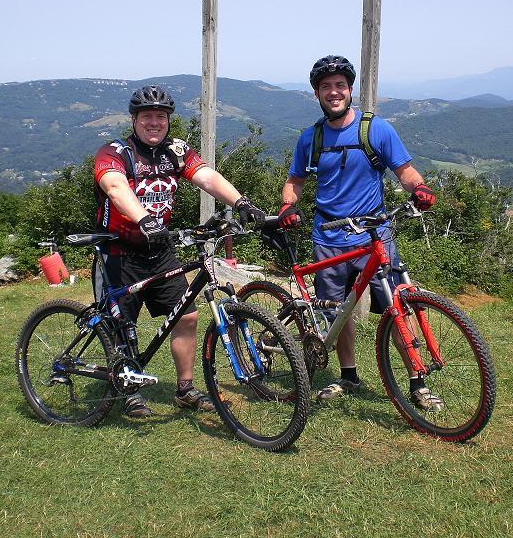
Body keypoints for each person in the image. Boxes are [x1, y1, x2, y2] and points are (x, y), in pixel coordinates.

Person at [278, 55, 442, 411]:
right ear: (317, 94)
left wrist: (420, 188)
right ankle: (348, 375)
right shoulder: (312, 138)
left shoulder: (376, 130)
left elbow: (405, 171)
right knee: (339, 312)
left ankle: (417, 379)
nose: (333, 92)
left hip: (373, 235)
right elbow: (295, 180)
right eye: (326, 87)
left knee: (397, 306)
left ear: (350, 90)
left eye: (339, 85)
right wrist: (288, 206)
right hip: (329, 237)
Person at [93, 85, 266, 418]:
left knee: (185, 314)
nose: (154, 122)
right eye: (147, 117)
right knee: (121, 323)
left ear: (169, 120)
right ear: (134, 120)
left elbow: (207, 177)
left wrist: (241, 202)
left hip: (159, 249)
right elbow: (114, 186)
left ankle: (185, 389)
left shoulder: (175, 150)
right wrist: (144, 218)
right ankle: (126, 389)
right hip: (118, 250)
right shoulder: (114, 152)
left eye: (161, 116)